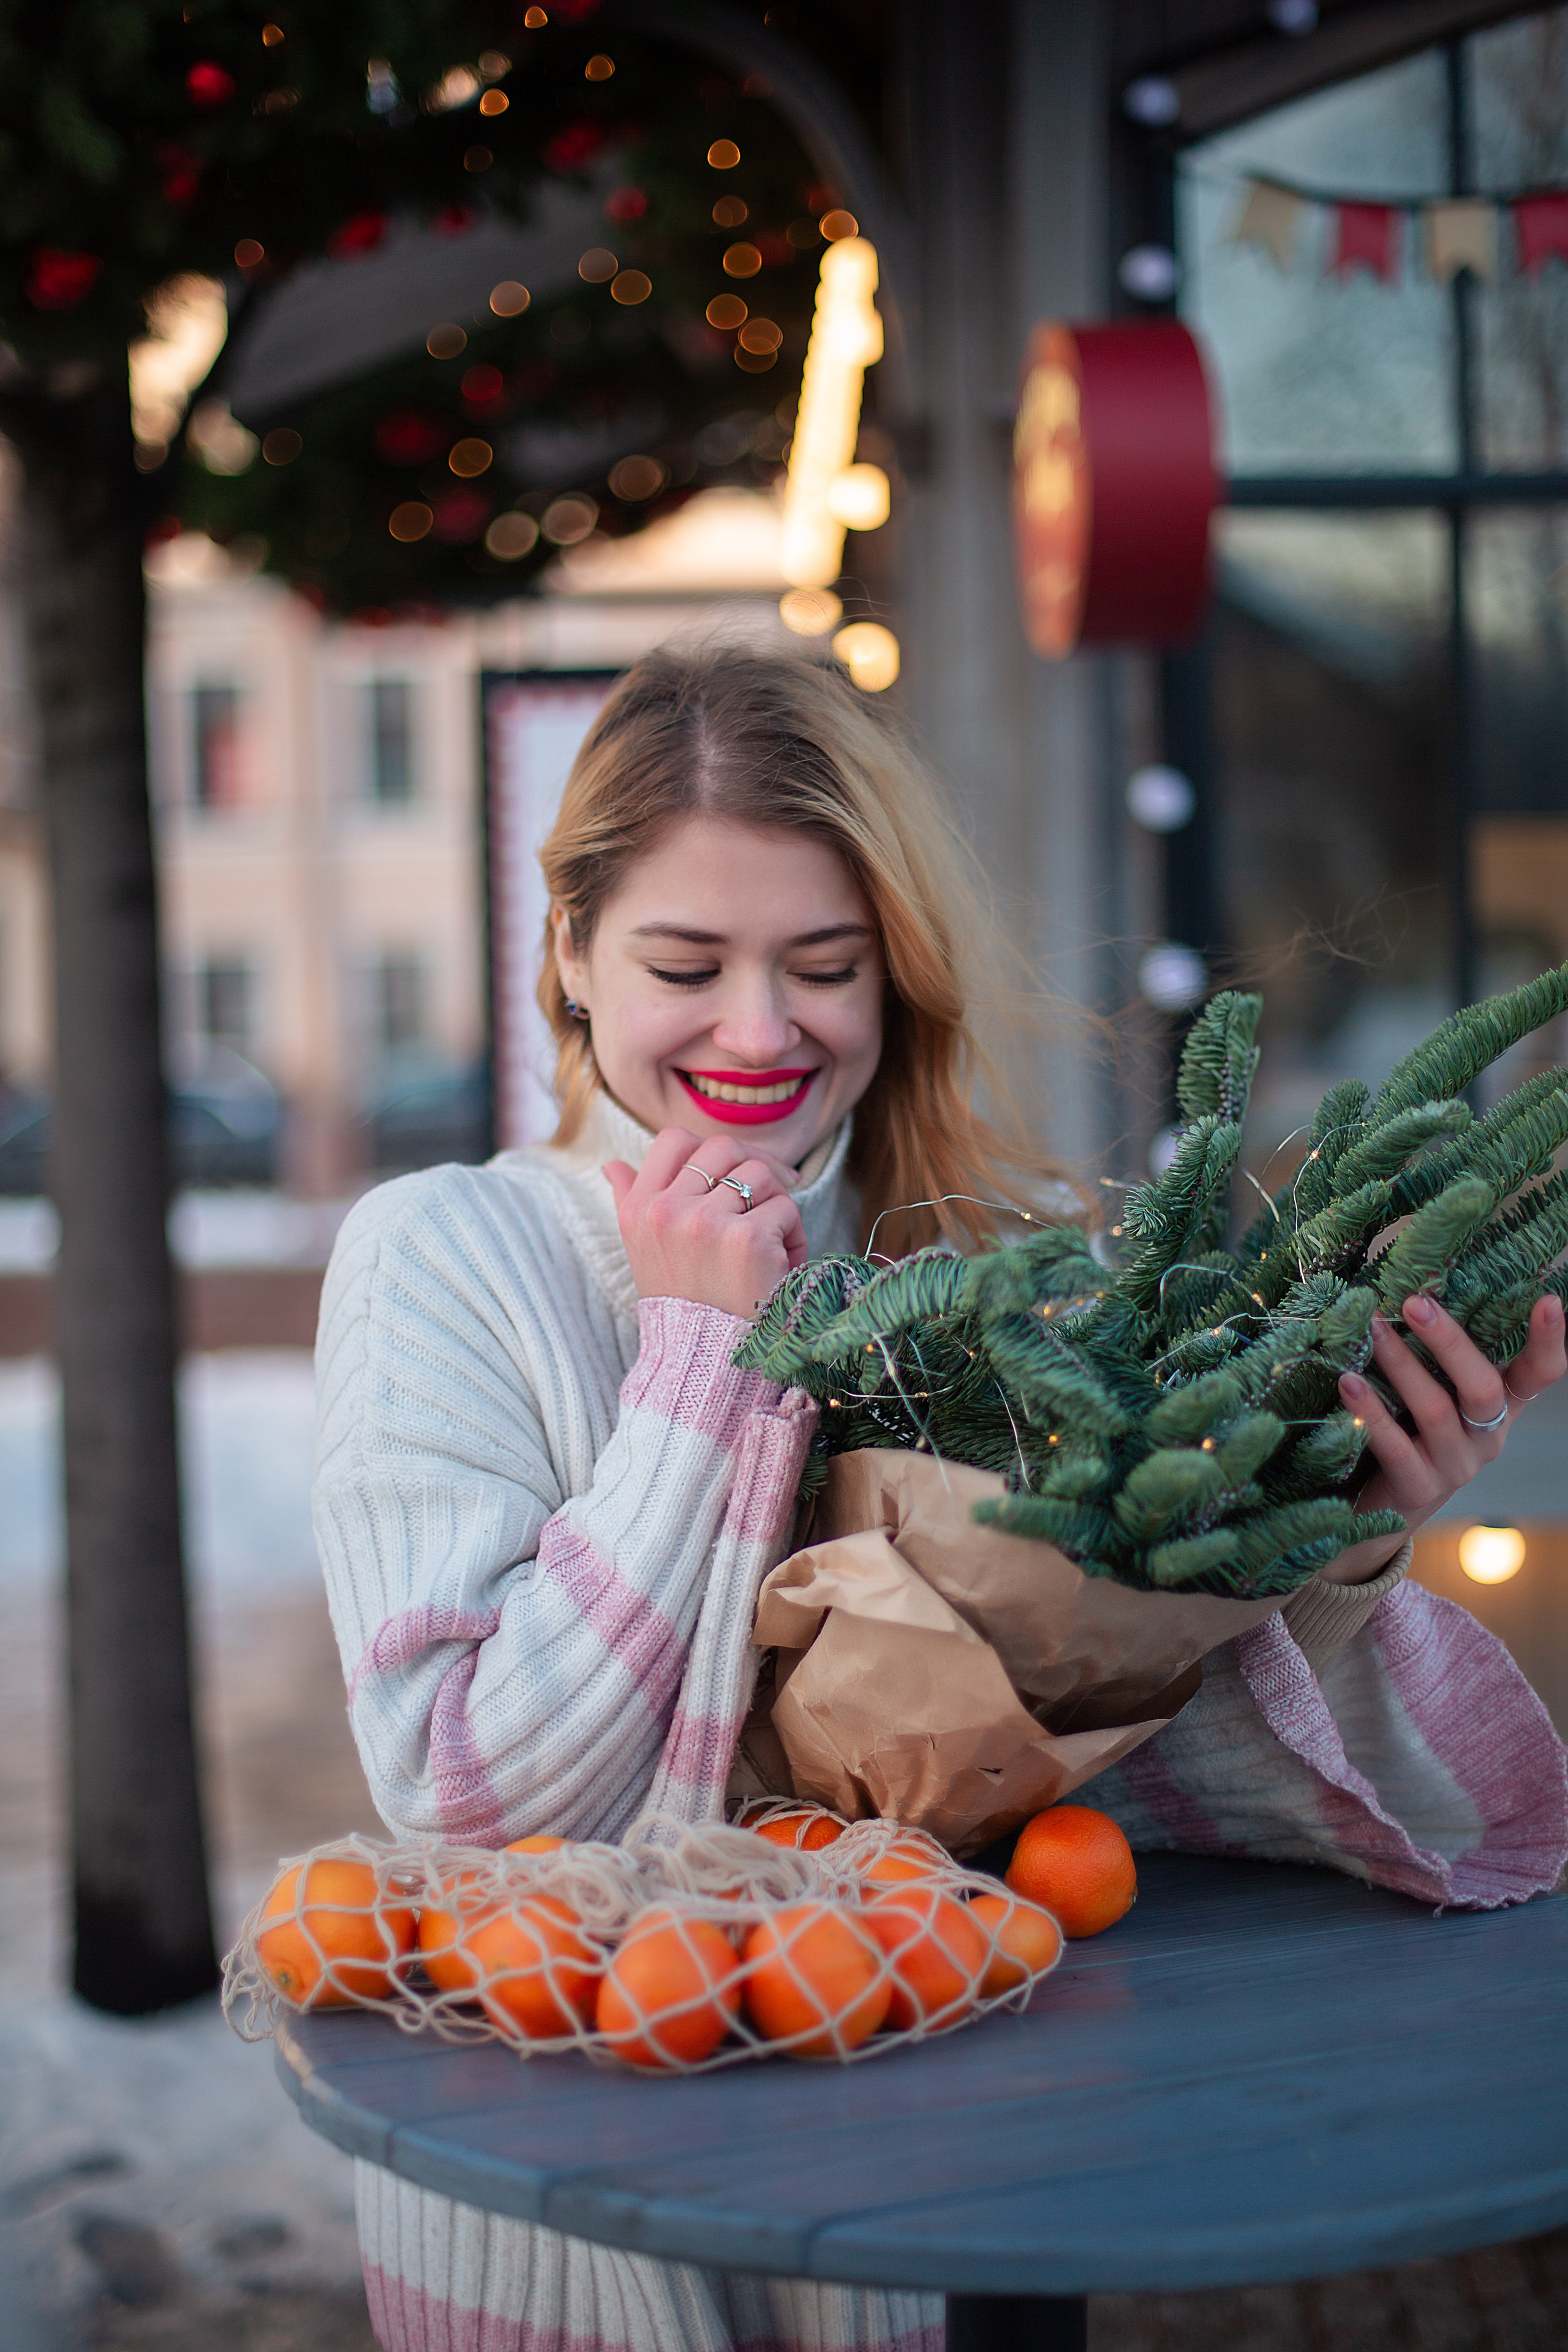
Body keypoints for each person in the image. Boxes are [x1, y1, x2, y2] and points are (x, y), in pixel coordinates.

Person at [314, 647, 1567, 2352]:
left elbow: (1101, 1757)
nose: (760, 1031)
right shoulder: (443, 1258)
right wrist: (697, 1354)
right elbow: (470, 1800)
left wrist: (1326, 1532)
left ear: (894, 977)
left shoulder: (980, 1278)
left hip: (972, 2160)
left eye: (823, 967)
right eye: (688, 963)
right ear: (570, 959)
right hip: (619, 2198)